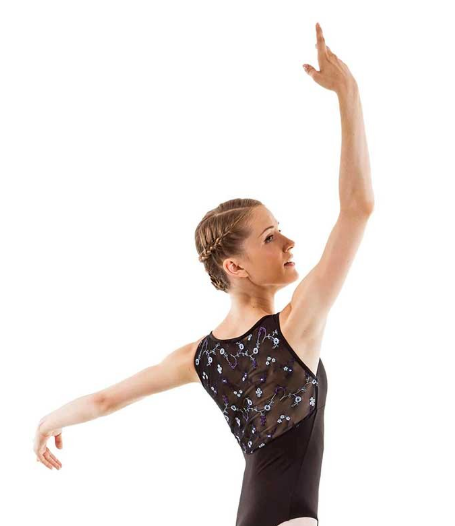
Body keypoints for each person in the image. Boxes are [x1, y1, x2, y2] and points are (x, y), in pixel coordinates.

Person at [33, 22, 374, 526]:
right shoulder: (297, 325)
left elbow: (106, 400)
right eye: (270, 237)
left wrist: (47, 422)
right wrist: (349, 94)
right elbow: (357, 208)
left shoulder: (201, 357)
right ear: (235, 266)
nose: (289, 242)